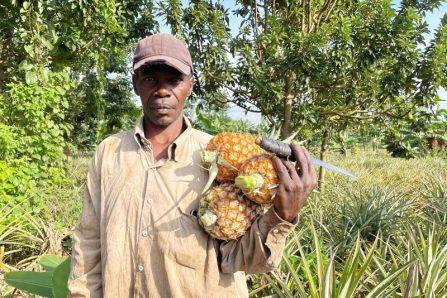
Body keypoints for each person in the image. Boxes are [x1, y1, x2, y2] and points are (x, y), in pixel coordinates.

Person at [68, 33, 317, 297]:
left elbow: (240, 260)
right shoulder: (109, 153)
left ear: (190, 85)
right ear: (135, 84)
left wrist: (282, 216)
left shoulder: (222, 158)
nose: (162, 90)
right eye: (150, 78)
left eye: (174, 80)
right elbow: (89, 242)